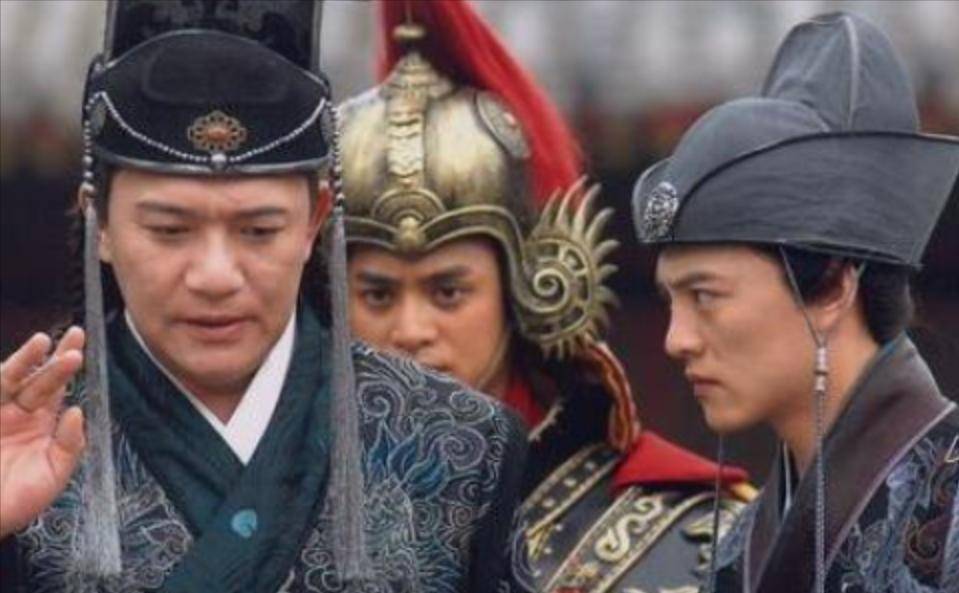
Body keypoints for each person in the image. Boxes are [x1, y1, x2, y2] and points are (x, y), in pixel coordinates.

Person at [0, 1, 529, 592]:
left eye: (258, 231)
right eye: (170, 230)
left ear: (315, 221)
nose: (216, 276)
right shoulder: (20, 438)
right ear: (98, 222)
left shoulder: (459, 444)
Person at [338, 1, 754, 591]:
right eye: (377, 295)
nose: (411, 330)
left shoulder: (698, 540)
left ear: (522, 291)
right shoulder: (277, 511)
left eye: (448, 292)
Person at [631, 11, 959, 593]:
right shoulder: (741, 547)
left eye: (705, 295)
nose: (676, 339)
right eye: (670, 299)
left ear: (832, 286)